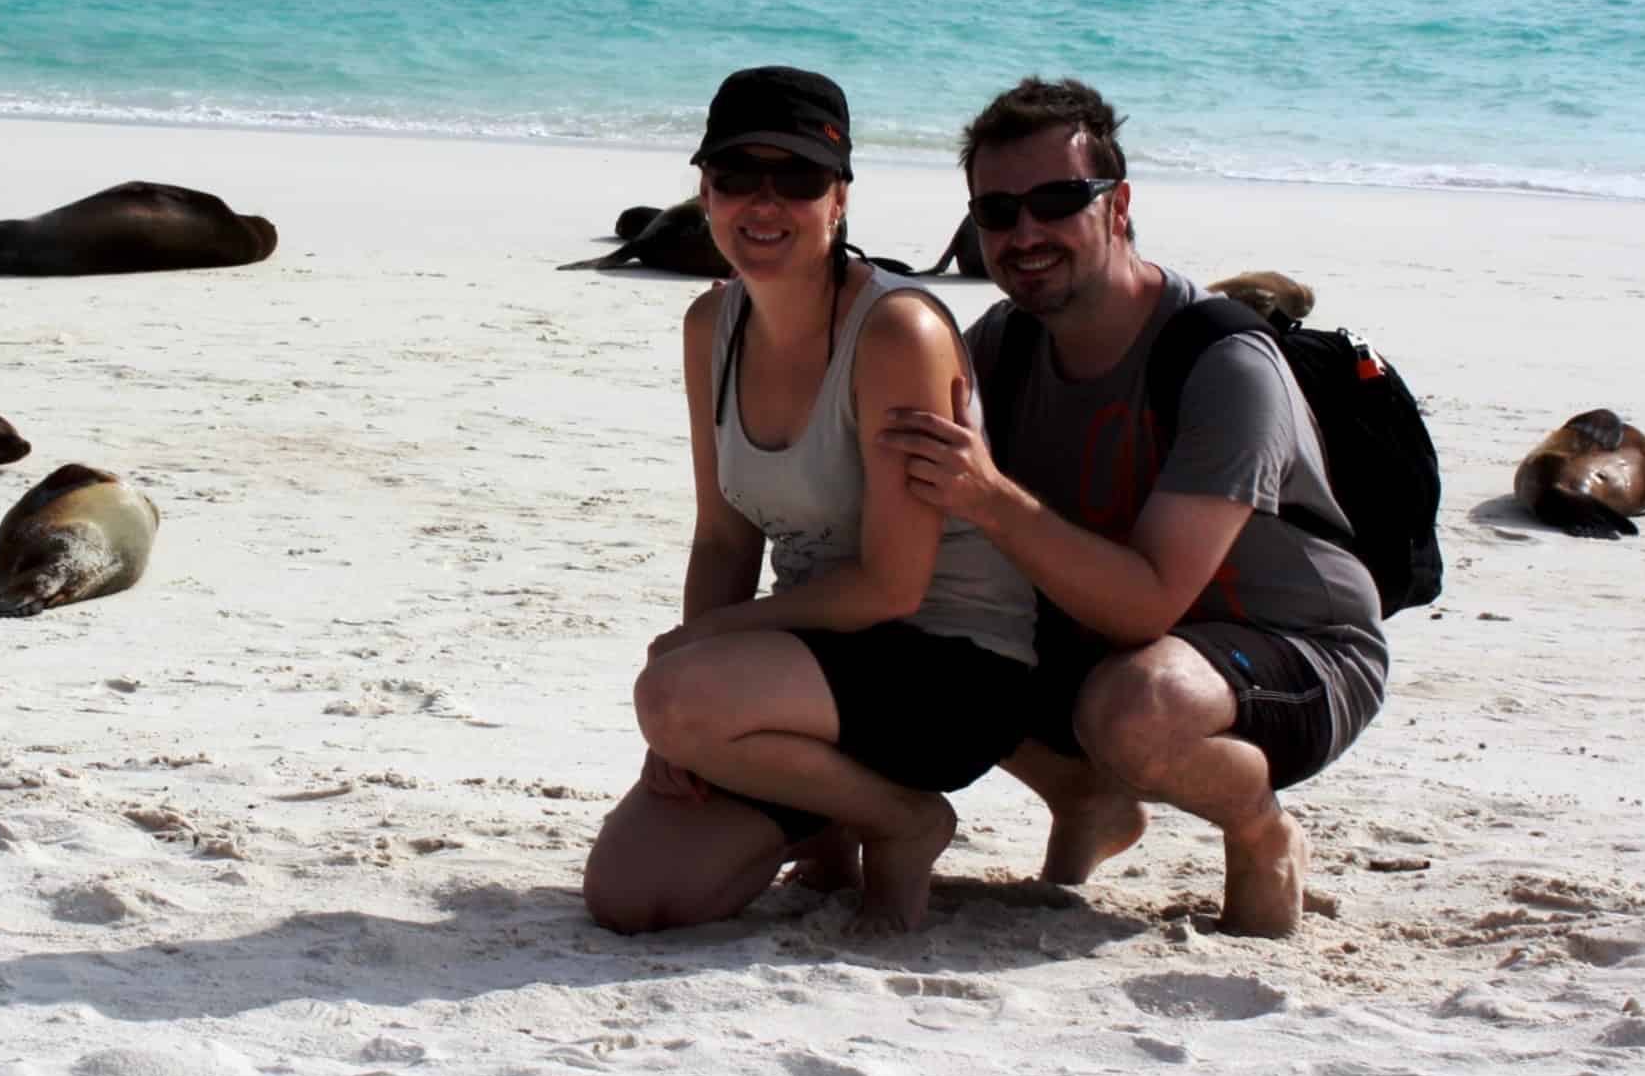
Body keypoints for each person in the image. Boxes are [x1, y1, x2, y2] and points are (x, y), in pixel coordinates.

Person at [878, 77, 1388, 937]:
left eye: (1055, 200)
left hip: (1296, 650)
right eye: (997, 212)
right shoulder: (1001, 347)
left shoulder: (1220, 361)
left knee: (1134, 712)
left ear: (1118, 208)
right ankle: (1085, 801)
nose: (1024, 232)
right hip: (1105, 642)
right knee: (910, 639)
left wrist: (989, 496)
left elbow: (1153, 600)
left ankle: (1261, 829)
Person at [582, 67, 1036, 936]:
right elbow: (723, 537)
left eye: (797, 178)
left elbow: (893, 590)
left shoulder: (899, 331)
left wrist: (694, 663)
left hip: (951, 669)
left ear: (840, 199)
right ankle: (828, 819)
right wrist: (677, 729)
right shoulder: (710, 326)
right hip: (812, 664)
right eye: (735, 178)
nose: (765, 203)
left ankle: (903, 821)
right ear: (704, 191)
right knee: (633, 896)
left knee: (676, 691)